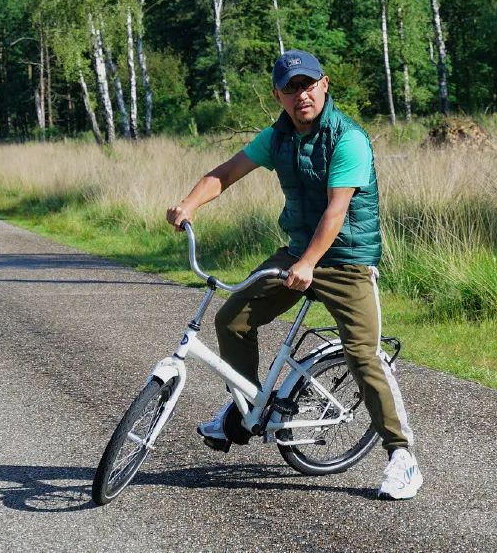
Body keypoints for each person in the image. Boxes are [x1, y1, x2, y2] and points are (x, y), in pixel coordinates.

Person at [166, 50, 423, 500]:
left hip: (346, 262)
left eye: (307, 85)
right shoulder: (277, 136)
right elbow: (226, 173)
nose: (300, 95)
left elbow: (336, 210)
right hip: (296, 253)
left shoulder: (349, 139)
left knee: (363, 356)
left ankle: (402, 457)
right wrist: (188, 203)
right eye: (290, 88)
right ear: (278, 95)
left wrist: (308, 263)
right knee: (232, 319)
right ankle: (245, 406)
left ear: (324, 84)